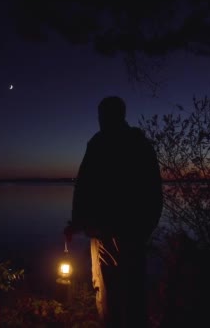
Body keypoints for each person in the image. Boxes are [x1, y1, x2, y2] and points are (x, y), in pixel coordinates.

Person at [65, 96, 163, 327]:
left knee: (108, 290)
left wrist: (78, 221)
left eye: (102, 116)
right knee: (133, 287)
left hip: (108, 231)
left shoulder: (100, 143)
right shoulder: (140, 144)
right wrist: (146, 227)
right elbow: (154, 191)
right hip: (132, 231)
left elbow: (85, 185)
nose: (100, 120)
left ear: (110, 116)